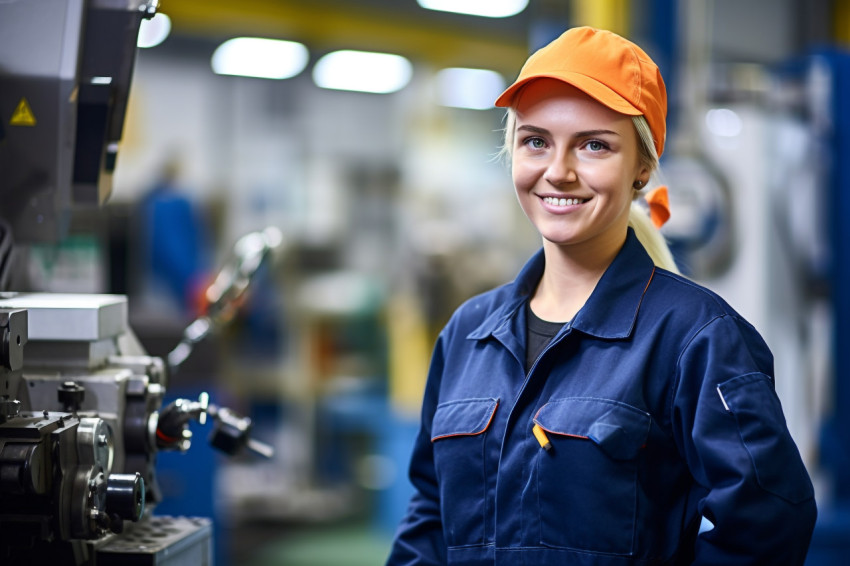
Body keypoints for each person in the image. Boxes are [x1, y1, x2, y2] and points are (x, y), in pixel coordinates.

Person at [385, 26, 817, 565]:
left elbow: (768, 527)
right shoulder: (467, 334)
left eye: (594, 145)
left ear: (642, 168)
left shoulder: (696, 339)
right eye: (536, 141)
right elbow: (430, 514)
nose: (558, 172)